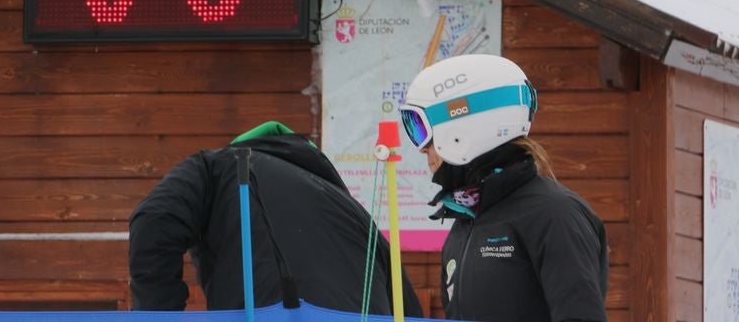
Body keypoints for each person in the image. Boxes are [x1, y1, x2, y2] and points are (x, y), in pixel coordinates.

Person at [129, 121, 424, 316]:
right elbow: (407, 308)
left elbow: (154, 220)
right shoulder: (353, 209)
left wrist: (158, 315)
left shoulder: (215, 167)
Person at [400, 54, 608, 322]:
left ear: (462, 126)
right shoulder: (466, 222)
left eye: (421, 129)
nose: (422, 148)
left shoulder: (554, 214)